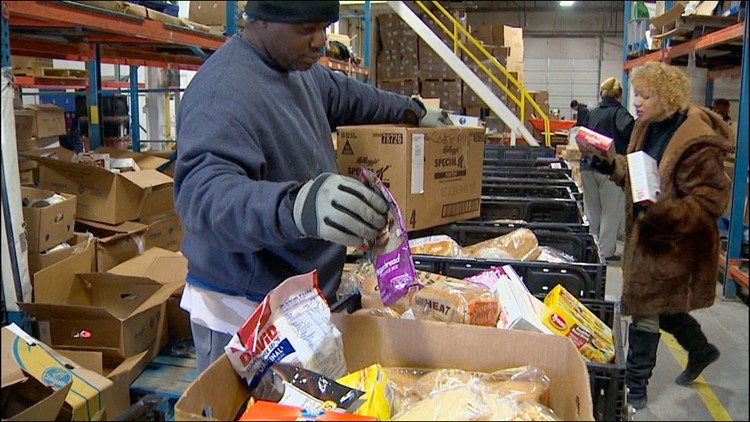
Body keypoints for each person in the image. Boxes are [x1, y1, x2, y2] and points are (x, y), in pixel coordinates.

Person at [173, 1, 452, 372]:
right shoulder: (220, 92)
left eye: (323, 26)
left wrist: (412, 110)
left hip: (302, 299)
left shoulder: (299, 71)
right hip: (244, 312)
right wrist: (296, 206)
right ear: (264, 19)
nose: (320, 41)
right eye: (307, 28)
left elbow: (352, 97)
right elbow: (203, 197)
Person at [590, 61, 733, 410]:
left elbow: (712, 199)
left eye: (645, 95)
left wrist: (664, 213)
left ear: (666, 96)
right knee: (662, 309)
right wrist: (612, 164)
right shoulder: (647, 126)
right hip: (648, 233)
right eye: (636, 93)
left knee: (646, 311)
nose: (637, 101)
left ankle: (635, 387)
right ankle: (701, 349)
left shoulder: (695, 139)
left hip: (673, 240)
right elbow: (641, 174)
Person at [579, 78, 634, 262]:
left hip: (587, 167)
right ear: (619, 95)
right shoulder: (620, 113)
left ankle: (591, 249)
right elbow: (631, 132)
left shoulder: (592, 113)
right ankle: (605, 252)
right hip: (609, 169)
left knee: (592, 210)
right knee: (610, 211)